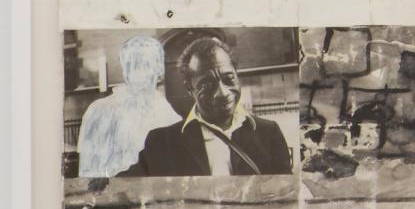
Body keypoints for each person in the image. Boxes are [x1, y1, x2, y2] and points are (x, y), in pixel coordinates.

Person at [121, 35, 293, 177]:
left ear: (237, 75)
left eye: (229, 79)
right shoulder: (162, 142)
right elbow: (124, 187)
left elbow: (286, 196)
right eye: (207, 85)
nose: (222, 93)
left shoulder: (268, 133)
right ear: (190, 89)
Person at [76, 34, 180, 178]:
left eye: (145, 65)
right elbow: (89, 173)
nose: (138, 73)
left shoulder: (166, 112)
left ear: (159, 69)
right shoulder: (102, 110)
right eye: (131, 65)